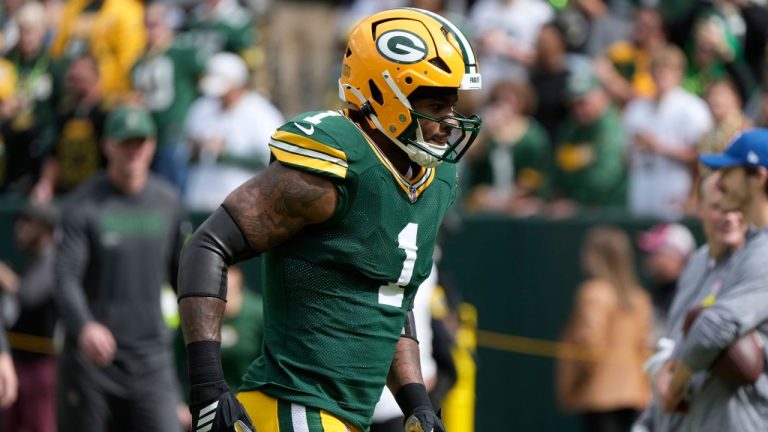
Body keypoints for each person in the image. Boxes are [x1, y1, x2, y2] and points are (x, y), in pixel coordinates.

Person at [177, 8, 482, 432]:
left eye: (452, 105)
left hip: (343, 416)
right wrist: (208, 389)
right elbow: (207, 245)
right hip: (294, 405)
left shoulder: (434, 179)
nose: (449, 122)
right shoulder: (334, 163)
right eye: (435, 105)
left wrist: (417, 403)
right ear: (386, 95)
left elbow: (392, 299)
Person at [55, 106, 186, 431]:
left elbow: (183, 277)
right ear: (107, 145)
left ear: (152, 145)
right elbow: (65, 278)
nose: (133, 150)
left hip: (152, 359)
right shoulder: (82, 204)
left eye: (140, 142)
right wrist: (84, 326)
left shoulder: (168, 202)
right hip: (94, 362)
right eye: (125, 142)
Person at [655, 129, 768, 431]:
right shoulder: (748, 247)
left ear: (758, 177)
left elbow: (715, 327)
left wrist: (675, 383)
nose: (719, 181)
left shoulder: (765, 252)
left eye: (728, 172)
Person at [634, 173, 748, 432]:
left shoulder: (754, 263)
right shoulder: (697, 264)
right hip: (685, 413)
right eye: (718, 207)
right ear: (700, 208)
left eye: (736, 206)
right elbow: (673, 347)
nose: (729, 216)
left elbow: (713, 336)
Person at [557, 226, 654, 432]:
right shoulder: (640, 298)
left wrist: (577, 380)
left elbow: (590, 344)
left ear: (598, 256)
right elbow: (645, 346)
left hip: (598, 393)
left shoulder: (593, 293)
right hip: (635, 393)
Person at [182, 52, 283, 211]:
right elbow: (184, 155)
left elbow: (271, 160)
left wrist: (225, 154)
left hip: (242, 206)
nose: (219, 96)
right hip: (200, 201)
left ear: (238, 85)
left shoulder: (260, 112)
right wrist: (197, 149)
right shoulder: (201, 108)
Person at [623, 44, 713, 220]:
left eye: (669, 70)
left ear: (680, 74)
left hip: (677, 191)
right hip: (641, 189)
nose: (662, 76)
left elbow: (701, 156)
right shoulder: (636, 109)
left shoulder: (693, 108)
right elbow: (624, 158)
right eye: (658, 69)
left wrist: (656, 145)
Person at [0, 202, 59, 432]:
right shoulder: (32, 260)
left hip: (41, 366)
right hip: (18, 362)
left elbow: (30, 296)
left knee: (39, 425)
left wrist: (5, 276)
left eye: (27, 223)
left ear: (44, 229)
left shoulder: (52, 259)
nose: (20, 229)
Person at [636, 223, 696, 338]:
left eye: (656, 253)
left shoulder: (692, 298)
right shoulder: (654, 293)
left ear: (678, 257)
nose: (649, 259)